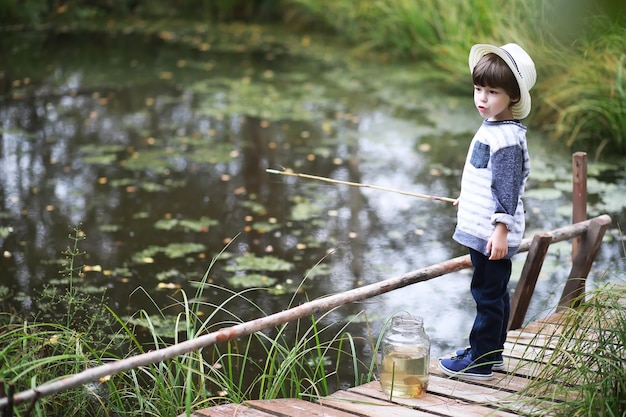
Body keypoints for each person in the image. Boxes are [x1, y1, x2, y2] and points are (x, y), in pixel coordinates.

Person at [438, 43, 537, 381]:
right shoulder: (494, 126)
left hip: (492, 232)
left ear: (512, 96)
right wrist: (468, 198)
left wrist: (500, 230)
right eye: (478, 89)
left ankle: (480, 361)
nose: (482, 98)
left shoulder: (506, 137)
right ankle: (492, 353)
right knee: (494, 291)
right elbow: (486, 177)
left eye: (492, 91)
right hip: (484, 224)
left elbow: (508, 189)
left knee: (486, 294)